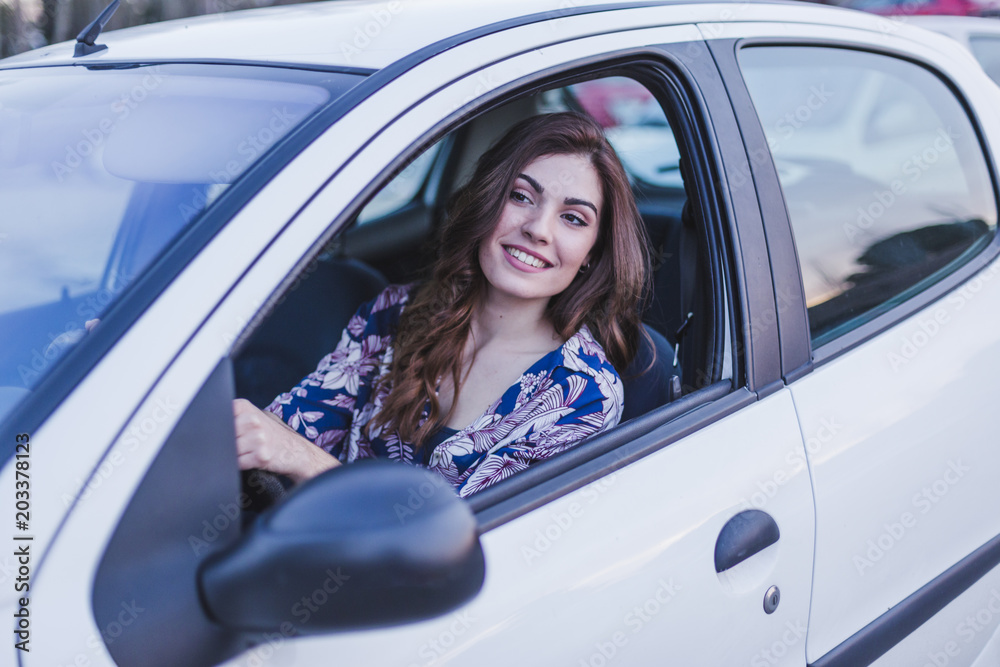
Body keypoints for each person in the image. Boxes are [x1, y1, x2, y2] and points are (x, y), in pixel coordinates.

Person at [233, 111, 650, 497]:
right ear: (487, 202)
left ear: (592, 253)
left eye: (573, 218)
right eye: (521, 196)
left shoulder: (582, 395)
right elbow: (286, 430)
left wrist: (307, 462)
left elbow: (455, 545)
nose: (538, 230)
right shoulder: (393, 314)